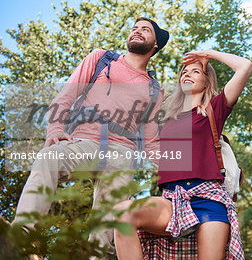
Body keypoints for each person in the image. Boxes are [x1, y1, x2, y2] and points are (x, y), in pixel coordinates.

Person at [12, 17, 169, 259]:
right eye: (134, 28)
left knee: (109, 219)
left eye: (145, 29)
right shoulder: (101, 59)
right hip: (83, 142)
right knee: (49, 157)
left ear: (155, 45)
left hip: (122, 153)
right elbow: (65, 96)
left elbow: (150, 142)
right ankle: (21, 236)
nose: (137, 31)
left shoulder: (154, 90)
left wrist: (178, 171)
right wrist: (55, 130)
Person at [113, 49, 252, 260]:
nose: (187, 74)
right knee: (123, 215)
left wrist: (208, 55)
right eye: (184, 71)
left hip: (209, 199)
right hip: (171, 197)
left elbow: (245, 66)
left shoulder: (215, 109)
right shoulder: (164, 117)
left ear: (207, 81)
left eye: (196, 71)